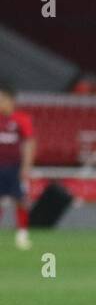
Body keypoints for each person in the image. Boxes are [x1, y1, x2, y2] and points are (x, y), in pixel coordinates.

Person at [0, 82, 36, 250]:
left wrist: (26, 167)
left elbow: (29, 142)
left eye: (1, 99)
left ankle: (22, 236)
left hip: (15, 168)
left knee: (21, 201)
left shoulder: (22, 119)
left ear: (10, 100)